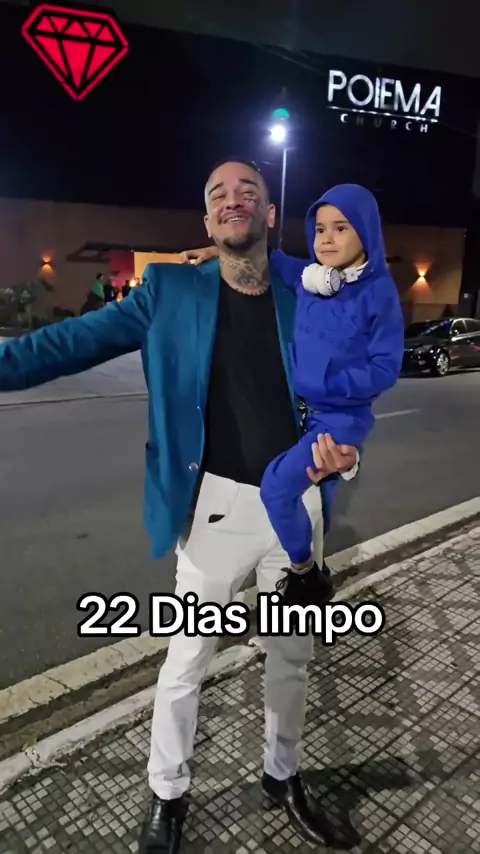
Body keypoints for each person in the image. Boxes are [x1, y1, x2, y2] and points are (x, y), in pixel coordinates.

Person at [0, 159, 360, 853]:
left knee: (291, 659)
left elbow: (346, 397)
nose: (233, 200)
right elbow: (64, 345)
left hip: (298, 511)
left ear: (269, 215)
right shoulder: (169, 289)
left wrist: (348, 453)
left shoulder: (308, 295)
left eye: (248, 191)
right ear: (207, 220)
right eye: (219, 194)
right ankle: (168, 795)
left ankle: (282, 776)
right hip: (214, 513)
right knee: (186, 663)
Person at [181, 182, 404, 606]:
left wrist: (329, 384)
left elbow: (386, 368)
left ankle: (306, 576)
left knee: (277, 488)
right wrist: (219, 251)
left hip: (340, 419)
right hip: (302, 412)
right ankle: (304, 575)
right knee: (311, 501)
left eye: (341, 228)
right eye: (320, 229)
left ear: (367, 232)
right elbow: (264, 258)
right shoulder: (310, 279)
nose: (327, 238)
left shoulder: (379, 293)